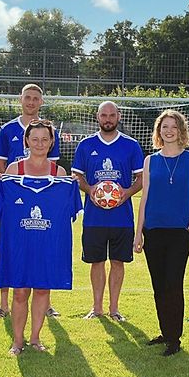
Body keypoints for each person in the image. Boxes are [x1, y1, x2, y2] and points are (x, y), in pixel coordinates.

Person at [0, 119, 80, 355]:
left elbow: (68, 211)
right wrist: (0, 184)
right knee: (20, 291)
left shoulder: (60, 173)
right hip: (20, 244)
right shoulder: (13, 171)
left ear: (52, 142)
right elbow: (4, 209)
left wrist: (71, 185)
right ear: (26, 141)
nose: (40, 144)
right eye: (35, 139)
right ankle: (17, 340)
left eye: (45, 139)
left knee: (42, 289)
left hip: (47, 245)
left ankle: (35, 339)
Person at [134, 110, 189, 356]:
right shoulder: (150, 160)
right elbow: (145, 198)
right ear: (159, 131)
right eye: (164, 127)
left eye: (173, 126)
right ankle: (165, 331)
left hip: (179, 232)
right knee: (159, 284)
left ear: (180, 130)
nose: (169, 131)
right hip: (153, 230)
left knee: (174, 283)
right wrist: (138, 232)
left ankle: (175, 337)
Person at [0, 83, 62, 319]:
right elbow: (1, 165)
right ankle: (4, 303)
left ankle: (47, 303)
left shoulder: (50, 131)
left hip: (42, 201)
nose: (31, 102)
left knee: (45, 245)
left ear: (41, 102)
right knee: (9, 247)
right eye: (28, 98)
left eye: (35, 98)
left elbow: (52, 171)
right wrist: (6, 184)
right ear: (20, 99)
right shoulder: (7, 129)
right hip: (15, 200)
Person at [71, 101, 144, 321]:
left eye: (112, 115)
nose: (108, 119)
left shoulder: (131, 145)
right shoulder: (86, 145)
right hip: (94, 217)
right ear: (97, 117)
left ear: (119, 117)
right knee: (96, 262)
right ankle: (97, 307)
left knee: (118, 262)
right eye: (104, 115)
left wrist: (127, 192)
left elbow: (141, 179)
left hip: (122, 218)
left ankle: (114, 309)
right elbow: (77, 176)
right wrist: (90, 188)